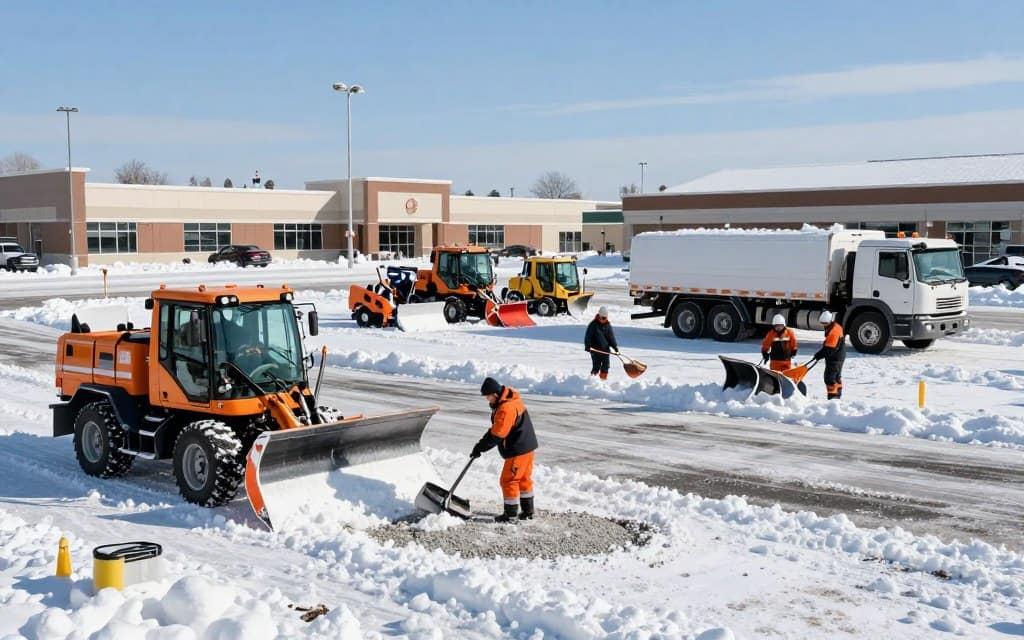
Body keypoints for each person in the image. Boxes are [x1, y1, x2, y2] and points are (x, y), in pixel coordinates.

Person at [471, 376, 539, 523]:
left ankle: (511, 515)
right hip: (528, 446)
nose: (487, 400)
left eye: (488, 397)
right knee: (523, 479)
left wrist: (480, 447)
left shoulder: (505, 408)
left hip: (518, 449)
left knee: (508, 480)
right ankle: (528, 512)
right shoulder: (512, 400)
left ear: (495, 394)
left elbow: (497, 434)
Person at [813, 310, 845, 400]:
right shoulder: (835, 326)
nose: (824, 325)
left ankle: (832, 397)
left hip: (835, 358)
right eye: (822, 323)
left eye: (825, 323)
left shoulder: (834, 332)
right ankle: (837, 395)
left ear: (830, 321)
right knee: (836, 376)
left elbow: (830, 348)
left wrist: (819, 355)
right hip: (839, 356)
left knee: (829, 378)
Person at [584, 306, 618, 379]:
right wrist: (587, 346)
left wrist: (615, 347)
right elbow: (588, 336)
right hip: (595, 349)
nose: (603, 319)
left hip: (605, 350)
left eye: (605, 318)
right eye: (602, 318)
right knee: (596, 366)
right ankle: (593, 380)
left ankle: (603, 380)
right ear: (599, 316)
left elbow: (611, 337)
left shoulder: (608, 325)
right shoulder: (593, 325)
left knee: (606, 365)